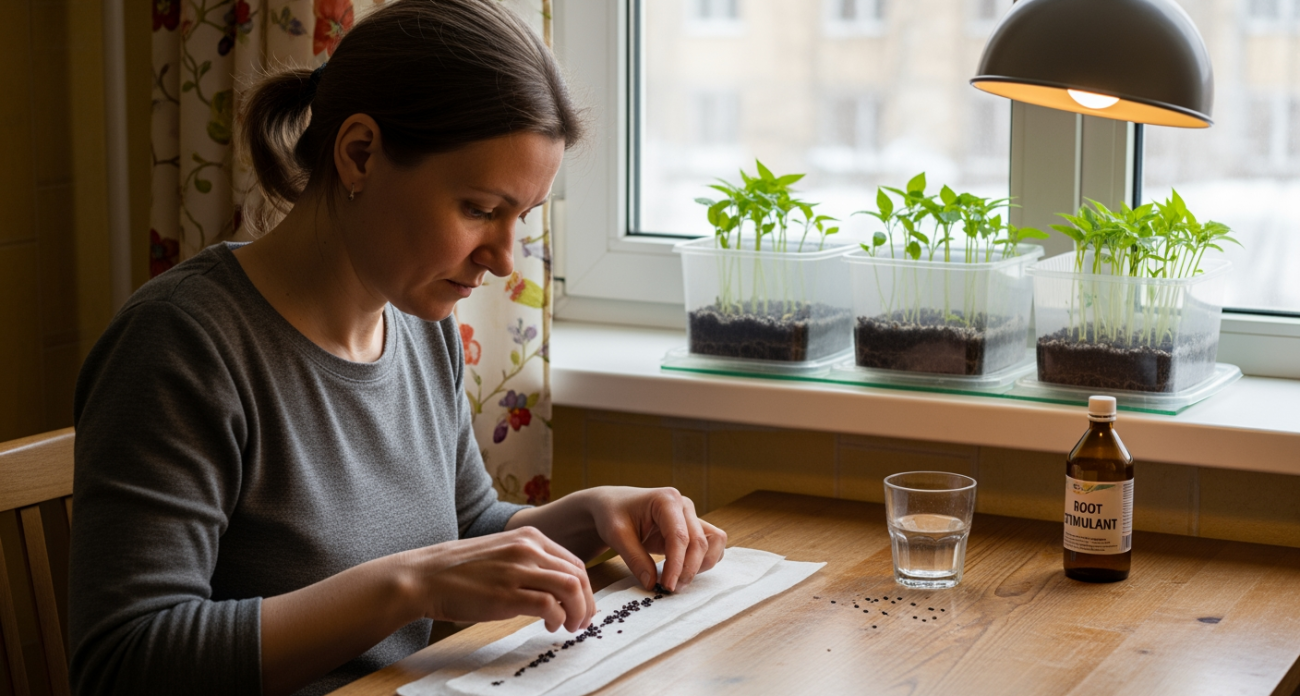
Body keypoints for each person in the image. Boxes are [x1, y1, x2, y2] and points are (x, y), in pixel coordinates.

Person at [68, 2, 726, 694]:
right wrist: (409, 586)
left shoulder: (418, 320)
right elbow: (124, 662)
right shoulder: (181, 346)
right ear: (359, 154)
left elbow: (466, 527)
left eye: (522, 218)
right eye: (479, 209)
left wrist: (591, 516)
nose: (504, 260)